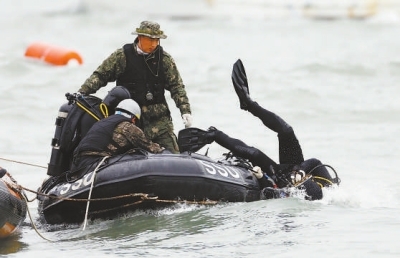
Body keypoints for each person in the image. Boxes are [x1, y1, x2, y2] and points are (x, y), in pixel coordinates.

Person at [203, 59, 339, 200]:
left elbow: (270, 191)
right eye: (301, 181)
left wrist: (262, 177)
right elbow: (316, 162)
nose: (298, 182)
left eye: (299, 184)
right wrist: (300, 170)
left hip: (278, 179)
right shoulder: (329, 188)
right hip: (295, 165)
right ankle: (248, 103)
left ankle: (213, 134)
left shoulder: (292, 195)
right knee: (287, 131)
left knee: (254, 153)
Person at [76, 20, 192, 154]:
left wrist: (185, 111)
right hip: (129, 122)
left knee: (173, 157)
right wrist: (82, 92)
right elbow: (100, 76)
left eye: (157, 40)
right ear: (140, 37)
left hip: (159, 122)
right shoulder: (122, 57)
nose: (154, 44)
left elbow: (177, 87)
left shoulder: (165, 60)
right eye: (150, 40)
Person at [70, 99, 165, 174]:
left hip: (78, 163)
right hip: (96, 163)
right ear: (134, 118)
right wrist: (166, 152)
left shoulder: (102, 122)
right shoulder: (128, 126)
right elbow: (151, 148)